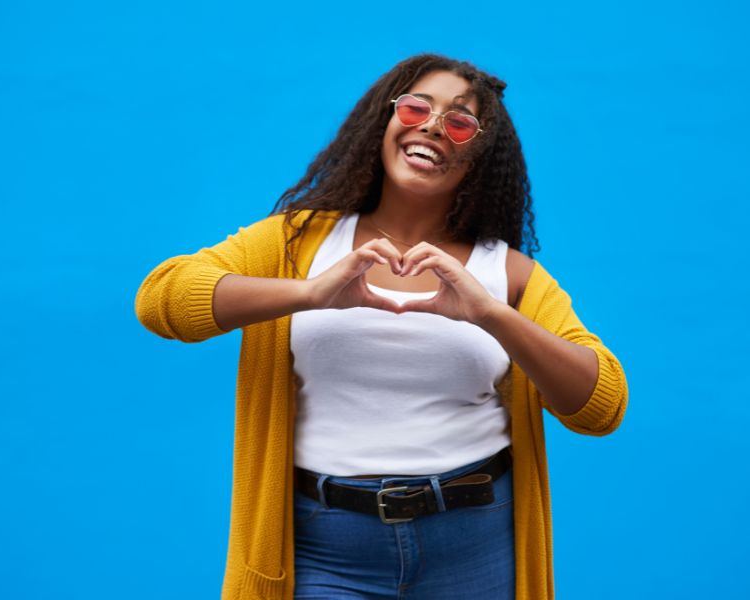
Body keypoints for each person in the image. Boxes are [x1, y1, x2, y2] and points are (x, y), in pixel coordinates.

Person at [135, 53, 627, 600]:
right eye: (417, 107)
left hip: (474, 545)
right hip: (325, 550)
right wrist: (309, 293)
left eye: (460, 121)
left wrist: (492, 314)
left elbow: (601, 405)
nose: (433, 128)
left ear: (480, 155)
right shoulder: (296, 245)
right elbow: (161, 299)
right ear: (385, 120)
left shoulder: (508, 273)